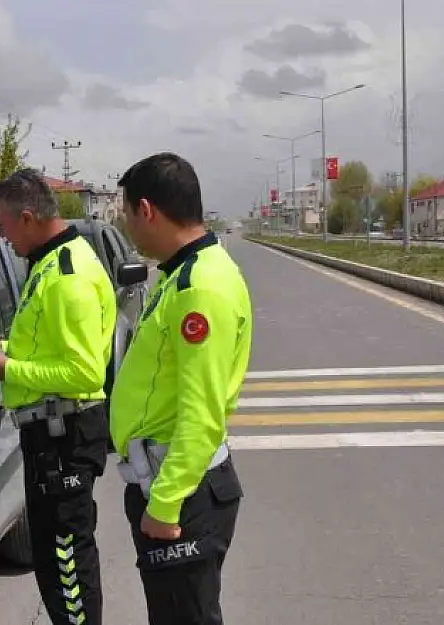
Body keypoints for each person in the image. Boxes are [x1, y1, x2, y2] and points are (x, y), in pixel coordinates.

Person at [109, 152, 252, 625]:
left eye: (126, 214)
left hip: (181, 493)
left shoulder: (199, 288)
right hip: (169, 483)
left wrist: (166, 503)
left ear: (146, 210)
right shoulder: (180, 274)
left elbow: (202, 411)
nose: (126, 227)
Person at [0, 168, 117, 625]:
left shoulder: (67, 276)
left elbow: (84, 370)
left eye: (3, 223)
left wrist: (9, 369)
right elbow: (51, 347)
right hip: (50, 435)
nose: (1, 234)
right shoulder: (49, 263)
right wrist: (7, 347)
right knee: (54, 562)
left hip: (65, 440)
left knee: (67, 563)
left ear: (29, 217)